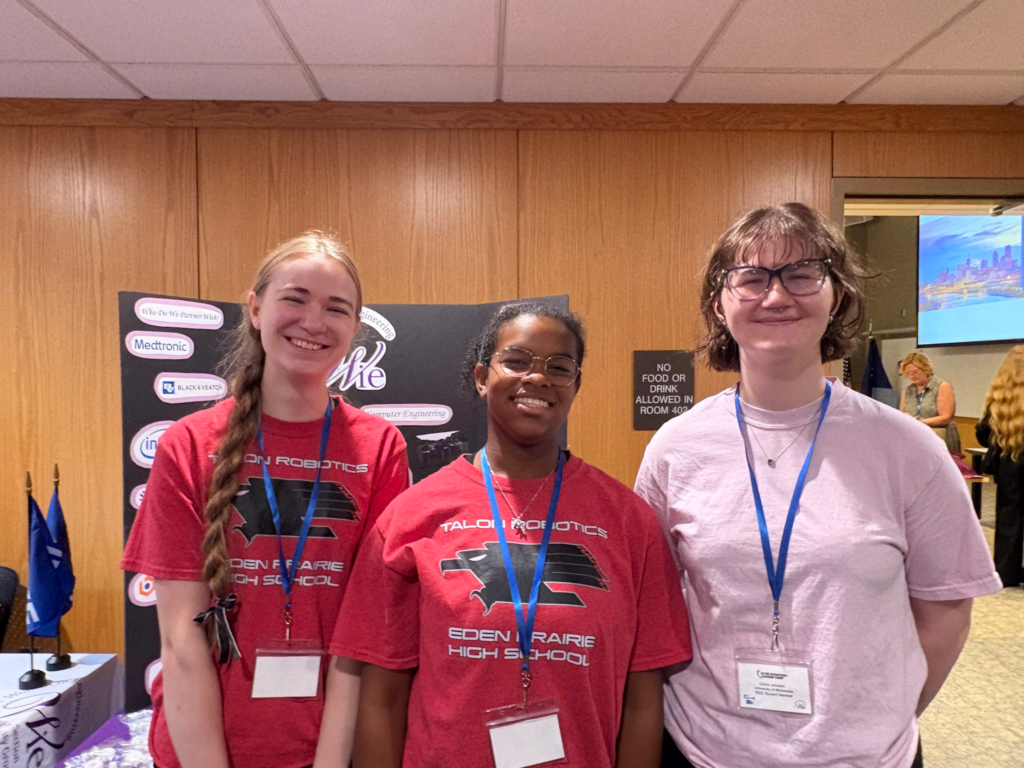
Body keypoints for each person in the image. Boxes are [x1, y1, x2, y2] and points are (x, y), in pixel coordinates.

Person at [634, 203, 1001, 768]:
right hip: (704, 749)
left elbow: (946, 611)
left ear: (836, 294)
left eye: (802, 274)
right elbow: (654, 608)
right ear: (720, 303)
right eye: (751, 278)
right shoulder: (676, 448)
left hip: (863, 756)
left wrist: (872, 718)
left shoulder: (907, 448)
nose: (776, 296)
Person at [329, 302, 693, 768]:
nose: (537, 378)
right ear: (482, 378)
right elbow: (382, 698)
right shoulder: (412, 516)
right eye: (516, 361)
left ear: (575, 386)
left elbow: (642, 701)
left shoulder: (629, 522)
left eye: (559, 368)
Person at [121, 232, 410, 768]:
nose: (314, 322)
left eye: (336, 308)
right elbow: (182, 643)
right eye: (295, 298)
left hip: (331, 745)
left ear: (354, 328)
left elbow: (363, 635)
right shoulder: (188, 444)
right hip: (203, 746)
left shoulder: (380, 446)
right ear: (255, 308)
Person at [975, 345, 1024, 588]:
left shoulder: (999, 397)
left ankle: (1007, 572)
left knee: (1008, 517)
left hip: (1009, 466)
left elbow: (983, 435)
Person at [899, 351, 961, 454]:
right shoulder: (907, 391)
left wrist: (919, 423)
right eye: (908, 374)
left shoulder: (942, 386)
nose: (912, 376)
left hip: (940, 437)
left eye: (915, 372)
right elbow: (901, 415)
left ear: (925, 369)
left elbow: (946, 417)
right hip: (915, 438)